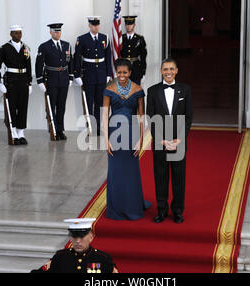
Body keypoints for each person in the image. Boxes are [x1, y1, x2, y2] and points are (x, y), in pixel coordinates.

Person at [102, 58, 151, 220]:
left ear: (130, 73)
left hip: (132, 134)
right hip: (114, 134)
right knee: (115, 172)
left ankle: (132, 205)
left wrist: (141, 139)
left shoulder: (138, 90)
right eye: (119, 72)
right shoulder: (109, 89)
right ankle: (116, 209)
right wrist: (105, 139)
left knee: (131, 172)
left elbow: (142, 116)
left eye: (124, 72)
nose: (121, 75)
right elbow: (104, 116)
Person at [146, 58, 193, 224]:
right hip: (160, 142)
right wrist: (162, 140)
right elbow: (150, 118)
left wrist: (179, 138)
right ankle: (161, 210)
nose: (168, 72)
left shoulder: (185, 90)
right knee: (161, 177)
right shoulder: (152, 91)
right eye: (165, 69)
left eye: (171, 69)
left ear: (177, 70)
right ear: (160, 71)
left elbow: (188, 117)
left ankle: (178, 211)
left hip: (178, 141)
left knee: (179, 178)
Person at [0, 25, 33, 145]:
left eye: (20, 33)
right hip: (11, 81)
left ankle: (21, 133)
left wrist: (29, 82)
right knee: (12, 107)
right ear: (11, 34)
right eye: (16, 33)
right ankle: (13, 132)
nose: (18, 35)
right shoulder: (4, 48)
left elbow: (29, 67)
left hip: (23, 80)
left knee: (22, 107)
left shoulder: (25, 47)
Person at [31, 218, 118, 273]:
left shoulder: (102, 258)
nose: (78, 241)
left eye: (82, 237)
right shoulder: (61, 257)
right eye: (74, 237)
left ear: (91, 237)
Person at [74, 16, 113, 136]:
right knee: (89, 102)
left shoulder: (104, 38)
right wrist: (77, 75)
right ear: (89, 26)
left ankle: (97, 128)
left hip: (101, 74)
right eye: (93, 25)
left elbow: (108, 57)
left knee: (100, 102)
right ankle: (90, 127)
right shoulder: (82, 39)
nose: (96, 27)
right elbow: (77, 58)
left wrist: (108, 73)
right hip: (88, 74)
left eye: (97, 25)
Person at [35, 23, 74, 141]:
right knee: (51, 106)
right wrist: (40, 80)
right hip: (51, 79)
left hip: (64, 79)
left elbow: (70, 61)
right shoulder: (44, 46)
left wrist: (71, 76)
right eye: (55, 31)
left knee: (61, 106)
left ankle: (60, 130)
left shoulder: (66, 45)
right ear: (51, 32)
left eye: (59, 31)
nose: (57, 33)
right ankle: (53, 130)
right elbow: (39, 64)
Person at [120, 16, 147, 85]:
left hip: (136, 69)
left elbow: (143, 56)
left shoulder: (139, 39)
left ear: (134, 25)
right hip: (124, 68)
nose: (128, 26)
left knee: (135, 92)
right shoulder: (121, 38)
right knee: (124, 92)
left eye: (130, 24)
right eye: (127, 24)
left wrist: (143, 72)